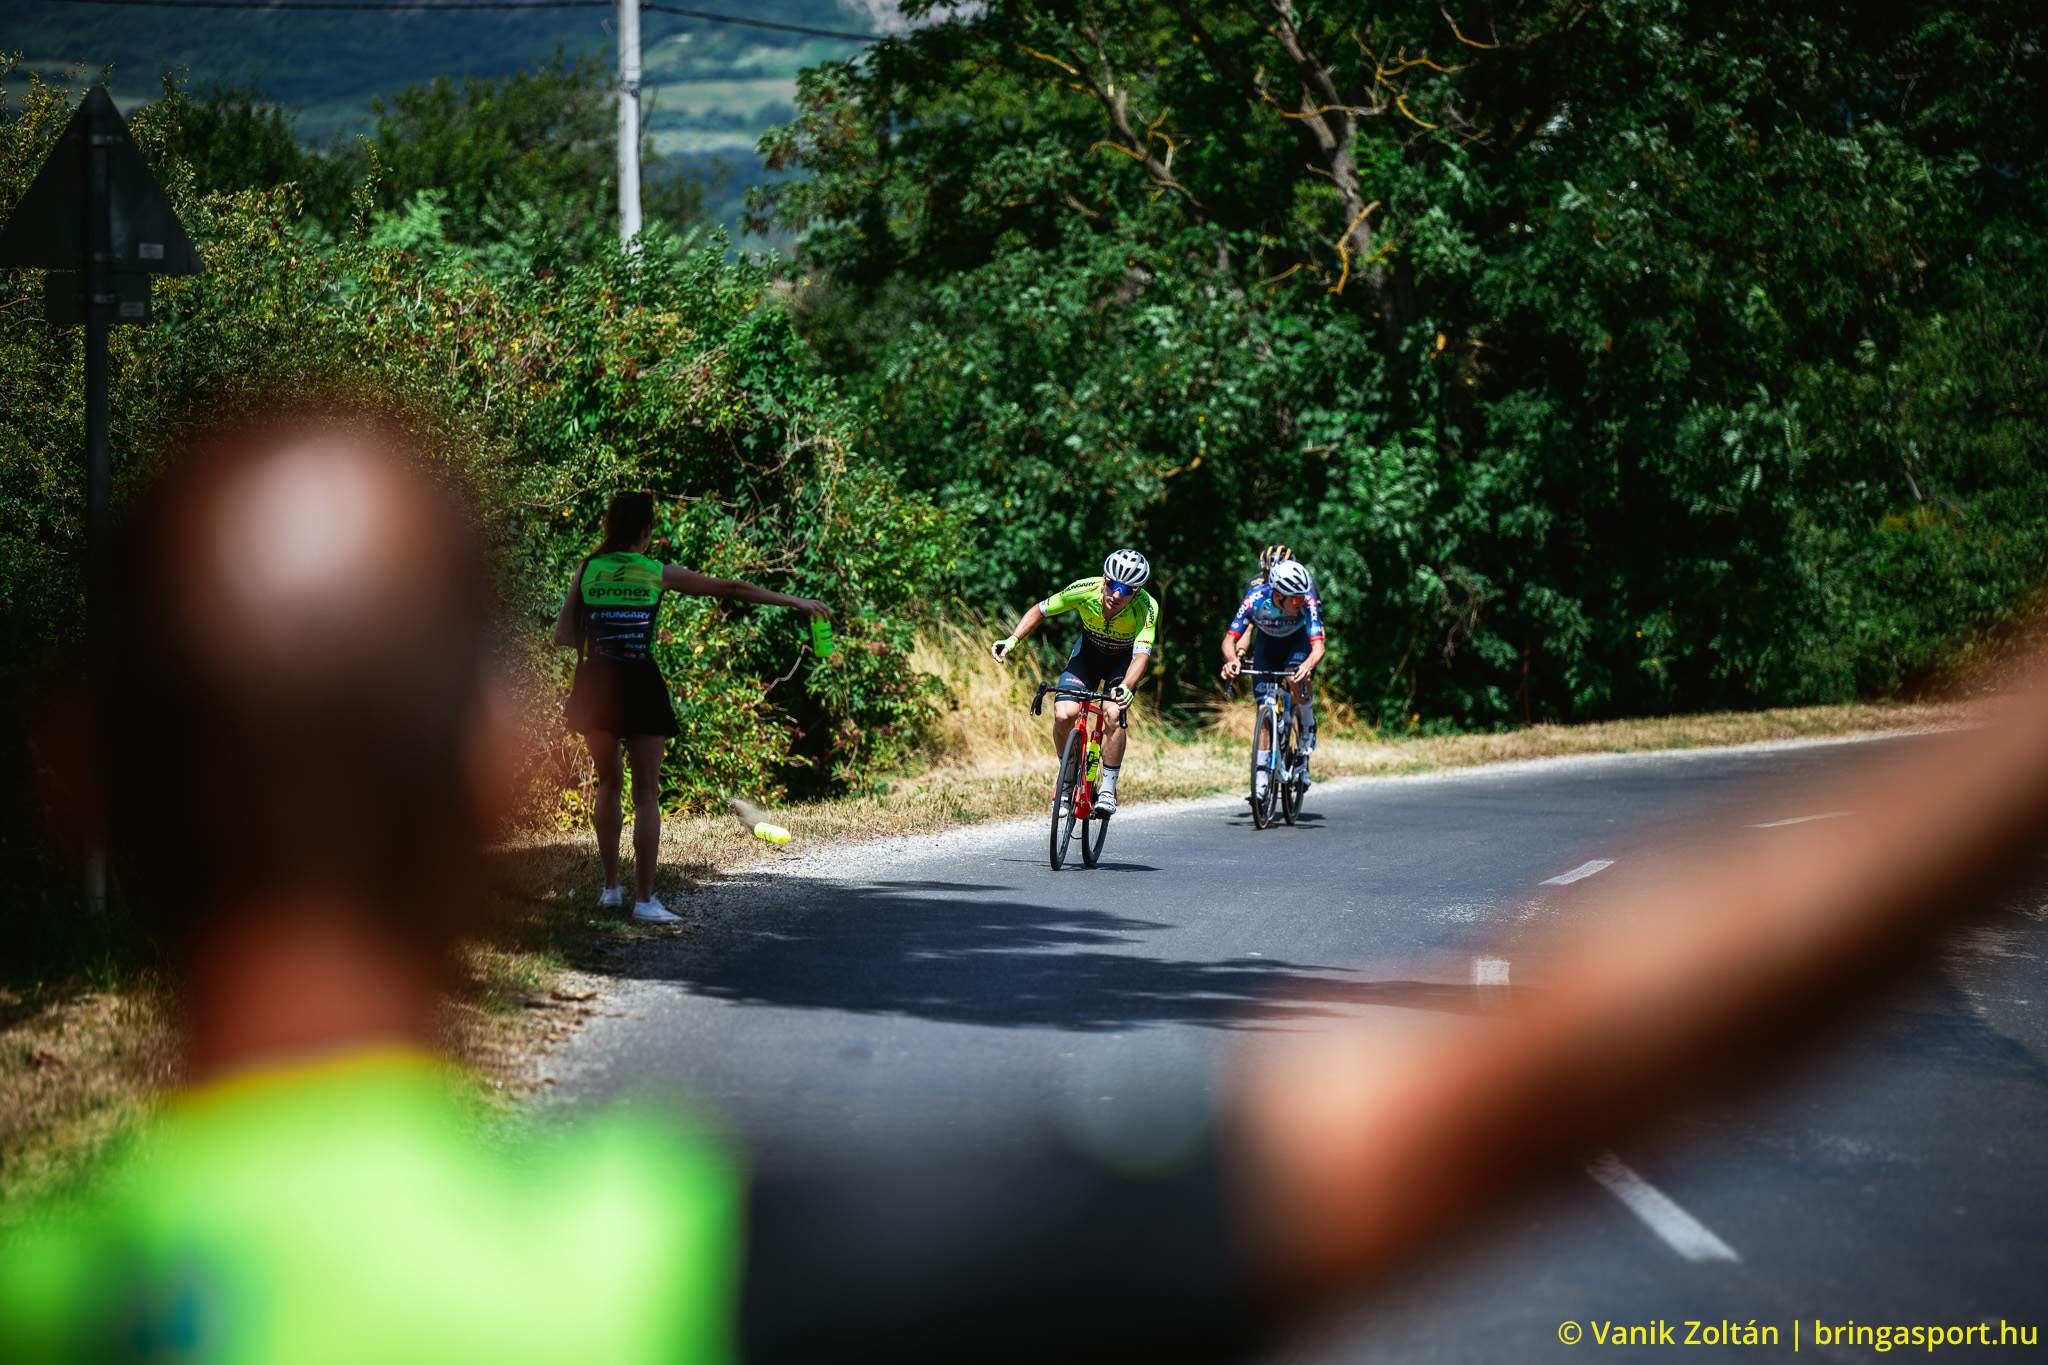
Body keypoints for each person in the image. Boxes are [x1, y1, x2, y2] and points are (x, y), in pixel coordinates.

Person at [9, 410, 2048, 1362]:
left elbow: (1170, 653)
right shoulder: (642, 1269)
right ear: (503, 773)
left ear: (79, 782)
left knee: (1147, 727)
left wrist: (1154, 688)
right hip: (1056, 694)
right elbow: (1510, 1084)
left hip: (1137, 695)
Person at [553, 492, 828, 924]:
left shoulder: (587, 569)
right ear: (646, 530)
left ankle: (610, 890)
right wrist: (796, 602)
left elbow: (563, 635)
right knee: (646, 794)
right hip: (640, 683)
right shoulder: (656, 572)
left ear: (609, 526)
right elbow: (730, 588)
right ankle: (645, 902)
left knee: (608, 784)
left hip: (595, 684)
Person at [988, 548, 1159, 817]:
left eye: (1126, 590)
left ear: (1136, 592)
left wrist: (1126, 686)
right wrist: (1012, 640)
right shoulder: (1084, 589)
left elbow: (1141, 655)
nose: (1117, 595)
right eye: (1113, 585)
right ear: (1104, 579)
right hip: (1088, 657)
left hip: (1122, 664)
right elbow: (1040, 610)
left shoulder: (1147, 607)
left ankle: (1108, 788)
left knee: (1113, 712)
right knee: (1064, 713)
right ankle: (1067, 778)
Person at [1220, 556, 1325, 798]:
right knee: (1263, 709)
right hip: (1267, 645)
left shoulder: (1306, 601)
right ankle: (1261, 780)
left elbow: (1319, 646)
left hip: (1297, 643)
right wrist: (1233, 659)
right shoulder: (1255, 599)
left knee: (1295, 677)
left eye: (1302, 597)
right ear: (1278, 595)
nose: (1300, 602)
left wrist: (1308, 665)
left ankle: (1307, 721)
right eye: (1295, 599)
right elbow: (1229, 639)